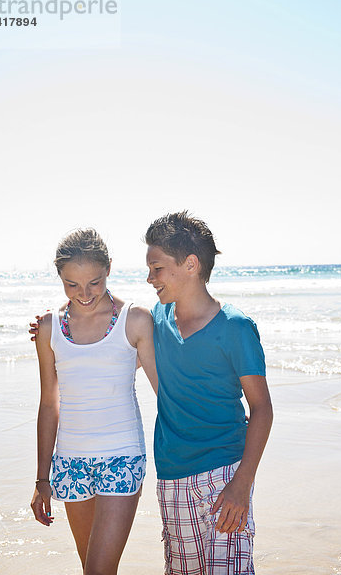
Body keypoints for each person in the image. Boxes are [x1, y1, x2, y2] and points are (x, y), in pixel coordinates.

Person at [145, 211, 273, 575]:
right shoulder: (155, 319)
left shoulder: (235, 327)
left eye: (157, 268)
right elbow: (108, 326)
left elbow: (262, 408)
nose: (149, 278)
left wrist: (242, 483)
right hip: (171, 476)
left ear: (190, 264)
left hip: (225, 474)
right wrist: (53, 326)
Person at [30, 228, 157, 575]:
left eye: (94, 282)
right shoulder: (48, 327)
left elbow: (166, 393)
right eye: (72, 285)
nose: (84, 294)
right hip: (70, 461)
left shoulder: (136, 320)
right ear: (60, 278)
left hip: (122, 455)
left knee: (99, 569)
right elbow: (48, 405)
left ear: (109, 269)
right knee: (90, 568)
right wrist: (42, 479)